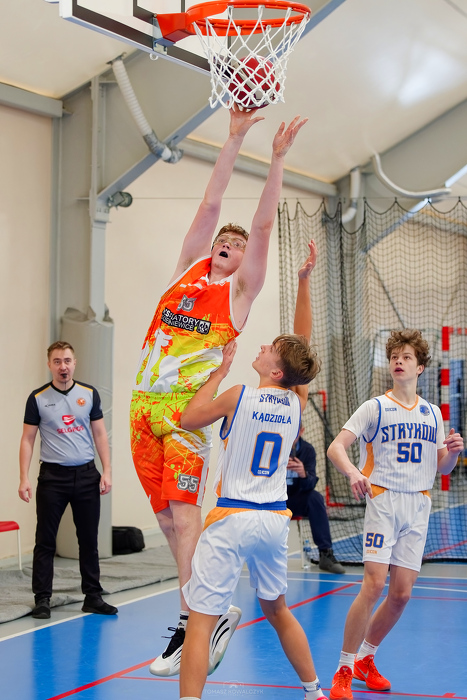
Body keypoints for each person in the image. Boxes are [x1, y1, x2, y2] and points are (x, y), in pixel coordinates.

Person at [130, 105, 307, 675]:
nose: (228, 242)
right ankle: (206, 612)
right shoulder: (186, 267)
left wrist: (274, 158)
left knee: (186, 518)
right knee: (165, 521)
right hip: (142, 408)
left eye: (235, 242)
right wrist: (231, 138)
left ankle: (192, 623)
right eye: (222, 240)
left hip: (186, 411)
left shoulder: (238, 295)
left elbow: (261, 227)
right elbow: (210, 203)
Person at [178, 327, 326, 700]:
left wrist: (218, 373)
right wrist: (304, 293)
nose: (262, 346)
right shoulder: (296, 404)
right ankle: (314, 692)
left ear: (277, 371)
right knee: (278, 611)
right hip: (274, 521)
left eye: (271, 348)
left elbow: (188, 418)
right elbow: (303, 343)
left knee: (200, 621)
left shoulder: (238, 395)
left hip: (233, 517)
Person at [326, 329, 464, 700]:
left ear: (420, 367)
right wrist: (353, 472)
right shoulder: (375, 407)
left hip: (418, 504)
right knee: (373, 585)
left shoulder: (432, 413)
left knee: (401, 594)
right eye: (394, 357)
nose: (398, 362)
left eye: (406, 357)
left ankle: (366, 658)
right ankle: (343, 668)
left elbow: (443, 467)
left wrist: (453, 451)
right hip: (383, 500)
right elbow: (336, 447)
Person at [18, 341, 118, 620]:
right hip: (52, 478)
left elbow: (100, 434)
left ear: (75, 363)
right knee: (45, 540)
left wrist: (107, 471)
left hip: (86, 475)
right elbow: (27, 439)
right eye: (57, 361)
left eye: (67, 361)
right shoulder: (38, 398)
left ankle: (93, 596)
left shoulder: (89, 394)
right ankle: (42, 598)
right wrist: (23, 477)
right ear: (49, 365)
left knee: (88, 539)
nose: (63, 366)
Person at [285, 239, 345, 575]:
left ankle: (326, 553)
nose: (267, 348)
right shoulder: (244, 397)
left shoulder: (294, 399)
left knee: (316, 498)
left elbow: (302, 339)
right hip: (259, 494)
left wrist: (304, 281)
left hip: (288, 497)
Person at [287, 426, 346, 574]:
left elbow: (311, 484)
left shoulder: (307, 450)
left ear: (301, 431)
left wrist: (303, 474)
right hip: (275, 499)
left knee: (315, 498)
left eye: (295, 431)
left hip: (296, 499)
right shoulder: (275, 447)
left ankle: (325, 553)